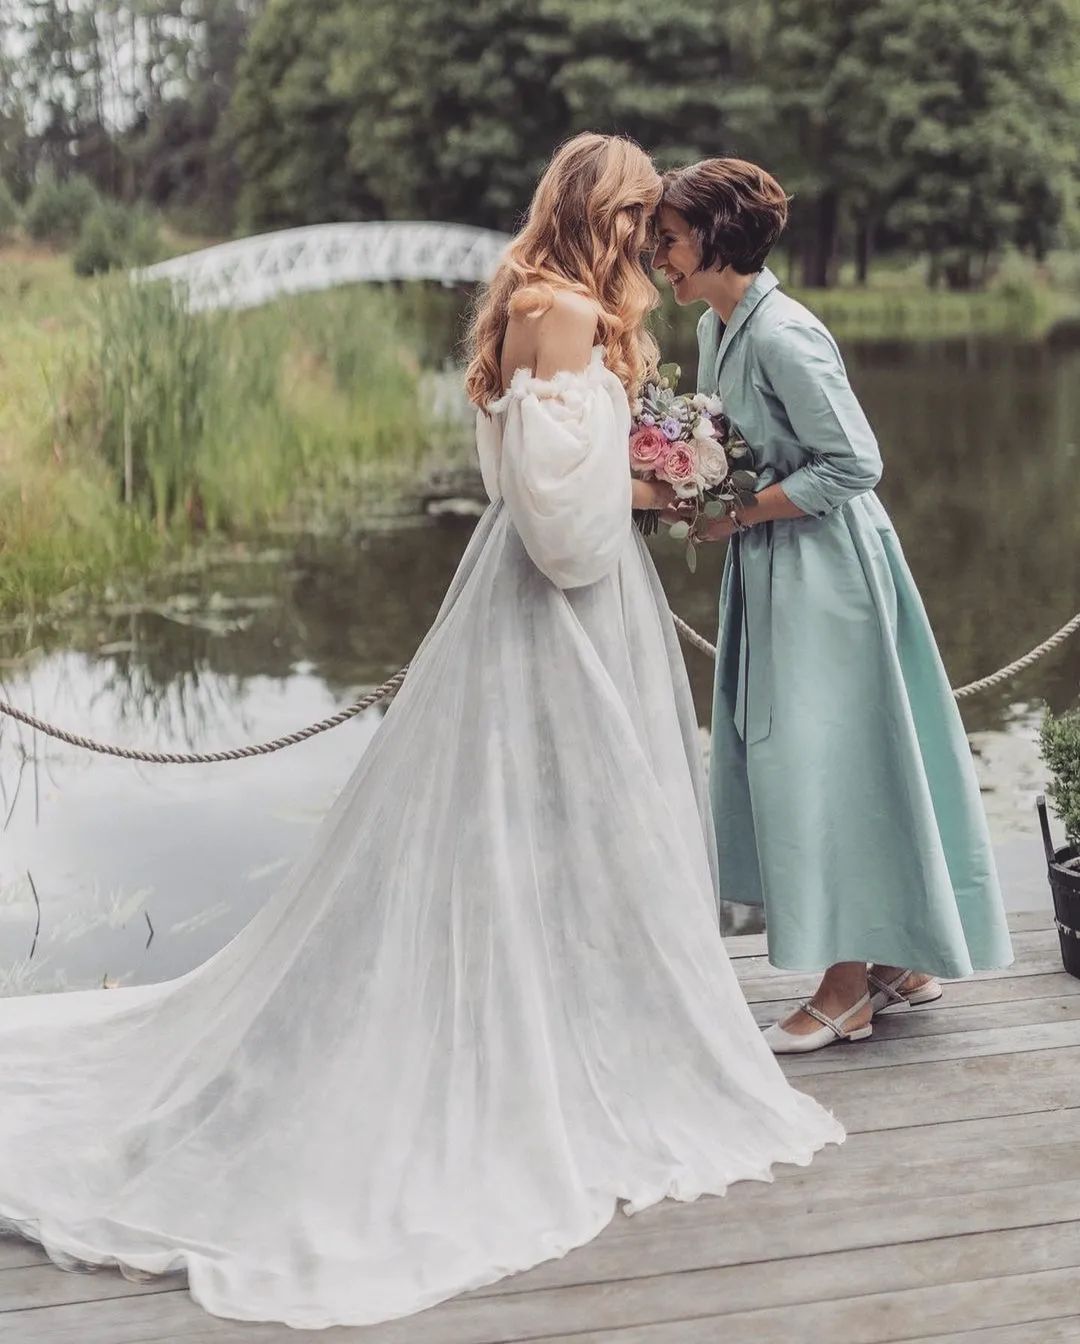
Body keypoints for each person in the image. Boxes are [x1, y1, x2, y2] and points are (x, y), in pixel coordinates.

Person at [0, 135, 842, 1329]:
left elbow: (543, 478)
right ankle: (546, 1050)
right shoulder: (559, 310)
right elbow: (562, 530)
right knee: (552, 816)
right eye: (640, 210)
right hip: (557, 610)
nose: (652, 233)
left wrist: (653, 468)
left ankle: (559, 1015)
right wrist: (664, 488)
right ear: (596, 208)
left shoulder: (532, 299)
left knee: (539, 830)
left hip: (547, 601)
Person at [653, 157, 1014, 1055]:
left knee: (827, 765)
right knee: (816, 757)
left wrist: (739, 509)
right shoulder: (717, 326)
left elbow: (855, 465)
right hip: (775, 564)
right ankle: (897, 962)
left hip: (827, 575)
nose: (655, 252)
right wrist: (693, 480)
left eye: (667, 236)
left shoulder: (786, 334)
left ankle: (847, 987)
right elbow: (736, 440)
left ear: (715, 235)